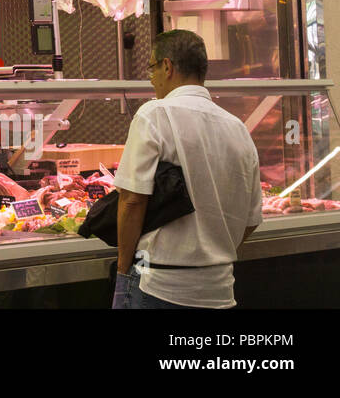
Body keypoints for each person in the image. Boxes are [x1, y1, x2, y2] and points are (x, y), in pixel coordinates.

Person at [112, 29, 263, 310]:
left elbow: (132, 200)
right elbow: (252, 218)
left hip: (160, 286)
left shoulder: (155, 113)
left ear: (167, 66)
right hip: (220, 291)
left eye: (152, 68)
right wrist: (211, 254)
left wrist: (123, 274)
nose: (151, 78)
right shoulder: (238, 127)